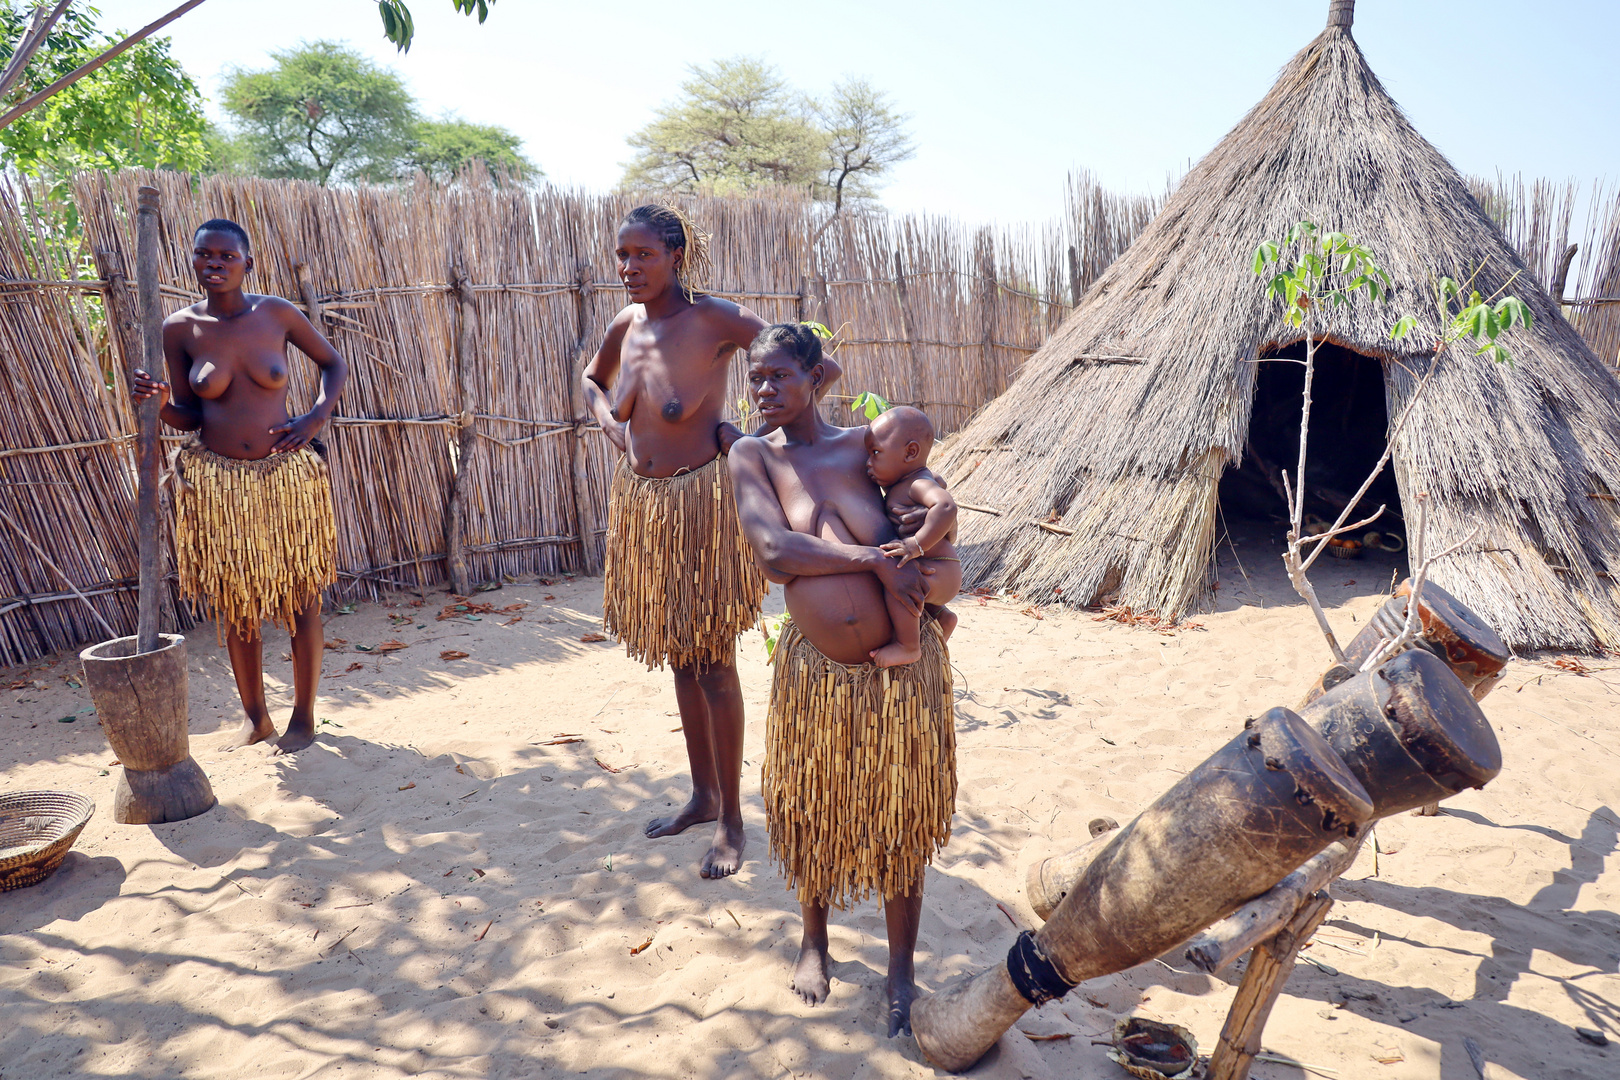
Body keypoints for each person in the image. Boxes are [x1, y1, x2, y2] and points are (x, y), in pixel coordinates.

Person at [582, 205, 842, 879]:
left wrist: (756, 437)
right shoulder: (626, 326)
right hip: (645, 509)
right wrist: (612, 427)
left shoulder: (716, 320)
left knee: (714, 658)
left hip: (703, 505)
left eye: (642, 254)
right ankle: (702, 794)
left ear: (674, 254)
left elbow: (817, 366)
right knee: (678, 653)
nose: (629, 267)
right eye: (622, 255)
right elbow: (592, 380)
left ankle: (731, 822)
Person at [728, 324, 956, 1038]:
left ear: (815, 378)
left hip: (900, 677)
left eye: (778, 378)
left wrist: (930, 568)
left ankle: (899, 972)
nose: (763, 391)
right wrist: (871, 563)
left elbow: (937, 520)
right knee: (810, 807)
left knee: (901, 816)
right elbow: (773, 551)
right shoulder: (750, 455)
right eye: (755, 379)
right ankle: (814, 940)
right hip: (816, 677)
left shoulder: (866, 449)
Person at [130, 219, 347, 754]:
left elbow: (333, 363)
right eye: (205, 255)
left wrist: (315, 419)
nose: (215, 264)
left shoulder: (276, 314)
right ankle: (256, 718)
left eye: (227, 256)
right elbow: (189, 415)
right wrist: (159, 405)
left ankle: (303, 717)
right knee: (237, 603)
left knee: (302, 598)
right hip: (221, 486)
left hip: (285, 479)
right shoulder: (180, 328)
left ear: (247, 263)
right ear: (194, 262)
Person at [860, 405, 961, 666]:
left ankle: (908, 646)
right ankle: (942, 616)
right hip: (939, 569)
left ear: (911, 452)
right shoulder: (908, 483)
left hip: (938, 569)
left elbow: (946, 506)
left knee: (898, 583)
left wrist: (915, 544)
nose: (868, 462)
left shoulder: (916, 484)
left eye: (876, 453)